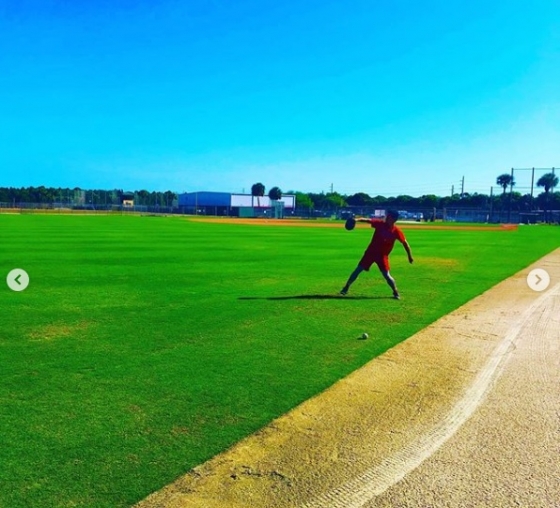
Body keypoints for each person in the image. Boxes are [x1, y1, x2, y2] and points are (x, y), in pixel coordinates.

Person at [340, 210, 413, 299]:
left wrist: (409, 256)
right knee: (358, 270)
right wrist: (357, 220)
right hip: (370, 253)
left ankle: (395, 292)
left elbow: (405, 243)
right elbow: (368, 220)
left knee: (387, 275)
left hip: (382, 256)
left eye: (388, 216)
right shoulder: (380, 224)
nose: (386, 217)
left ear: (393, 219)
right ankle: (346, 287)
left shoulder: (396, 231)